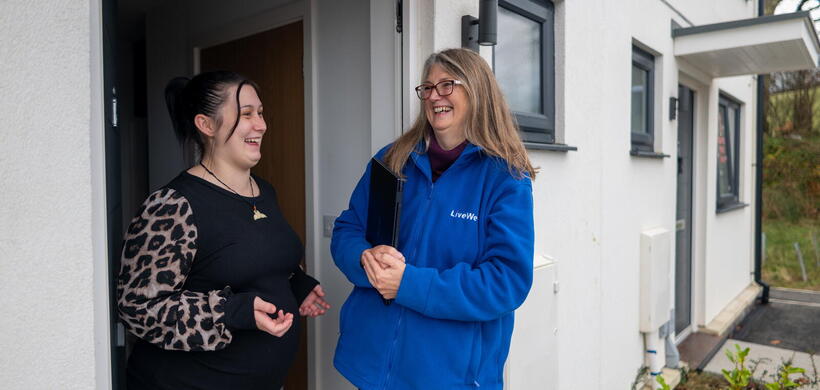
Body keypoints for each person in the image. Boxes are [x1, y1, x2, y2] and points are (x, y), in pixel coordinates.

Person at [331, 48, 537, 389]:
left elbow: (506, 281)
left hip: (447, 376)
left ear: (476, 90)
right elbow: (348, 228)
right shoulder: (392, 159)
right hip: (371, 364)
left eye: (446, 85)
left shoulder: (505, 178)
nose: (433, 96)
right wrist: (363, 257)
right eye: (427, 88)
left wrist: (408, 284)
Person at [117, 70, 330, 390]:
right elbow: (137, 308)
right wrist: (233, 310)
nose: (261, 124)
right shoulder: (174, 205)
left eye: (260, 113)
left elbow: (251, 257)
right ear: (206, 125)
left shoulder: (264, 191)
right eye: (246, 114)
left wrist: (296, 284)